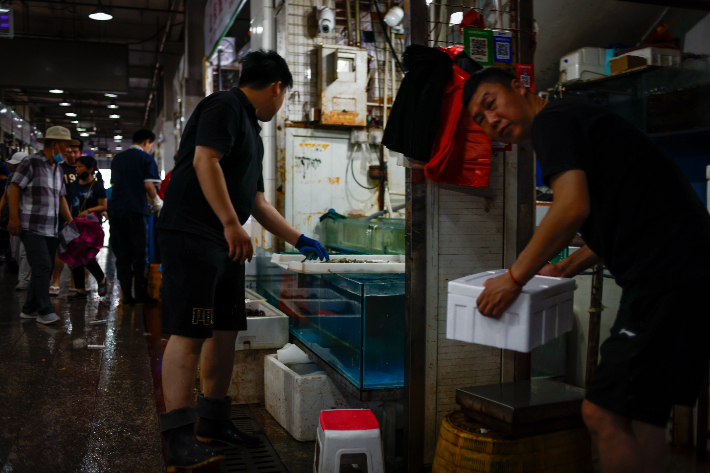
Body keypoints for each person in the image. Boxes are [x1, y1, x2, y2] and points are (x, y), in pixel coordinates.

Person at [463, 67, 710, 473]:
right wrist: (567, 266)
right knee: (642, 413)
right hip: (688, 270)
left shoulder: (552, 121)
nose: (491, 121)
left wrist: (514, 277)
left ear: (519, 88)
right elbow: (618, 206)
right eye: (480, 119)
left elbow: (571, 207)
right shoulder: (572, 117)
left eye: (490, 104)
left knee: (601, 413)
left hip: (666, 275)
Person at [156, 50, 329, 471]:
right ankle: (177, 438)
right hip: (193, 233)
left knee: (224, 331)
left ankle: (212, 421)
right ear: (277, 87)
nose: (281, 102)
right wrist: (232, 224)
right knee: (189, 331)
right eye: (284, 95)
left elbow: (256, 200)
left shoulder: (252, 129)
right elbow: (204, 160)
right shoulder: (224, 105)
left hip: (224, 240)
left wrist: (298, 237)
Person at [7, 126, 75, 325]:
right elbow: (14, 187)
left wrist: (71, 221)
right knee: (43, 266)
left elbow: (61, 197)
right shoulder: (32, 162)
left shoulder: (58, 168)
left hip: (51, 227)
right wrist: (13, 218)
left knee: (43, 266)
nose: (68, 151)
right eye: (65, 146)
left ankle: (28, 309)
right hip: (31, 225)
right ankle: (45, 310)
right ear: (53, 144)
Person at [107, 128, 162, 305]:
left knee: (122, 255)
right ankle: (140, 295)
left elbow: (115, 183)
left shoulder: (118, 158)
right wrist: (158, 203)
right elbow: (149, 186)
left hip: (116, 210)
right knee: (140, 255)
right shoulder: (146, 158)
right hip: (136, 211)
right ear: (147, 141)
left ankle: (127, 297)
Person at [68, 156, 108, 299]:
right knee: (75, 255)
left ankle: (101, 279)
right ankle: (80, 289)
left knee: (85, 256)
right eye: (76, 166)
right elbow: (70, 204)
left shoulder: (97, 186)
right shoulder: (73, 185)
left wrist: (88, 211)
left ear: (90, 169)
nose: (76, 169)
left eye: (80, 166)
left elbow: (104, 205)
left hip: (91, 227)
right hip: (74, 224)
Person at [50, 136, 81, 296]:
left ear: (80, 153)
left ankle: (76, 283)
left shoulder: (86, 170)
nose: (72, 155)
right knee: (61, 250)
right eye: (70, 151)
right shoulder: (59, 169)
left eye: (75, 152)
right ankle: (55, 281)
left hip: (81, 216)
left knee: (78, 251)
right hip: (62, 215)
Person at [0, 152, 32, 290]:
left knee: (25, 251)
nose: (11, 167)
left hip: (28, 219)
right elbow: (6, 195)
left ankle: (24, 280)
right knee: (16, 250)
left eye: (15, 165)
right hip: (13, 217)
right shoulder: (11, 178)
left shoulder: (32, 178)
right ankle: (24, 276)